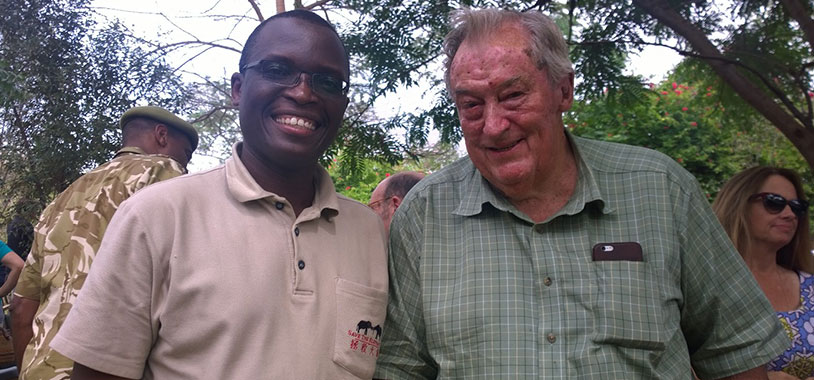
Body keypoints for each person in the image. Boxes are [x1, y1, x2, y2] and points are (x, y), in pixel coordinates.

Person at [374, 8, 788, 380]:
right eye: (471, 105)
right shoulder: (424, 215)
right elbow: (401, 368)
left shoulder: (661, 189)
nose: (494, 124)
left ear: (564, 90)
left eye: (513, 95)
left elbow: (734, 354)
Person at [51, 10, 388, 380]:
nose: (304, 92)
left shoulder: (370, 233)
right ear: (238, 89)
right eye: (278, 70)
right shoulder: (157, 216)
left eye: (327, 81)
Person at [10, 106, 198, 380]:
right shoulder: (163, 172)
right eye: (186, 154)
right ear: (161, 135)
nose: (186, 165)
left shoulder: (62, 199)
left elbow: (21, 309)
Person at [712, 167, 813, 380]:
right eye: (774, 202)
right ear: (738, 203)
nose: (789, 215)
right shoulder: (706, 285)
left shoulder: (811, 286)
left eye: (797, 207)